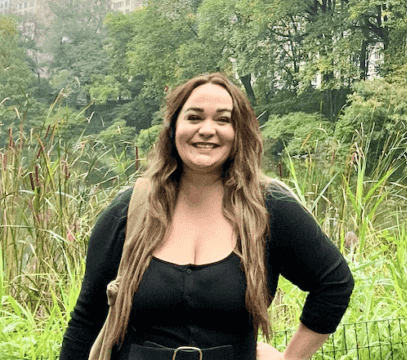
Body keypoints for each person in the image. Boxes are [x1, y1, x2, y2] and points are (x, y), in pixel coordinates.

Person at [60, 73, 354, 360]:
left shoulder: (268, 209)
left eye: (223, 119)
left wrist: (292, 358)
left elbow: (334, 284)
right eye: (194, 117)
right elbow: (87, 318)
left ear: (239, 132)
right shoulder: (131, 210)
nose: (207, 129)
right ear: (173, 127)